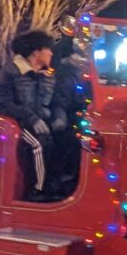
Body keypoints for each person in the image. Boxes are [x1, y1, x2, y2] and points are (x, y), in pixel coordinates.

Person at [0, 30, 58, 201]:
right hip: (15, 123)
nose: (51, 53)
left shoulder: (44, 75)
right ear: (36, 52)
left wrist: (59, 117)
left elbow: (54, 100)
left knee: (62, 140)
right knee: (39, 145)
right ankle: (37, 190)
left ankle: (55, 184)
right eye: (48, 49)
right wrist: (32, 118)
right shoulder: (11, 72)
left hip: (37, 121)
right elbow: (3, 104)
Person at [47, 34, 92, 197]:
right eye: (81, 56)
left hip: (76, 117)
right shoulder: (66, 74)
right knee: (68, 147)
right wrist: (61, 117)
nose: (84, 60)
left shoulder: (78, 75)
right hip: (65, 120)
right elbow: (60, 99)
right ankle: (58, 187)